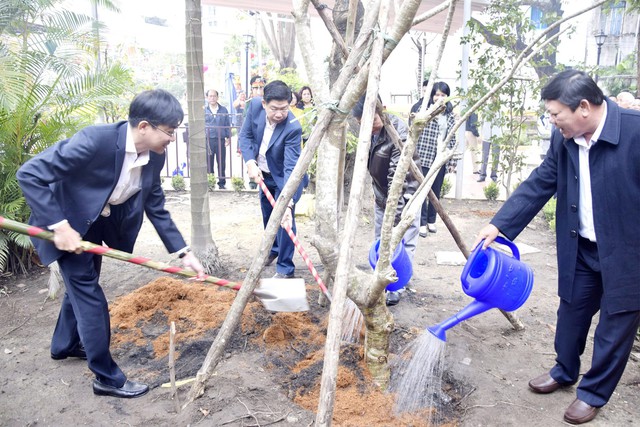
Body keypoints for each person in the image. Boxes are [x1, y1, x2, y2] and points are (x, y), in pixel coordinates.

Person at [474, 69, 640, 425]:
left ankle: (593, 392)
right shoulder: (564, 138)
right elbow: (542, 180)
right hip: (582, 247)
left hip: (629, 254)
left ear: (583, 107)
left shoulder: (635, 131)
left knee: (615, 326)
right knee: (571, 314)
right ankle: (565, 370)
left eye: (554, 113)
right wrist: (500, 224)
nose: (551, 120)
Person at [16, 89, 206, 399]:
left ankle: (64, 344)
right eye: (169, 132)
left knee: (81, 286)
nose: (172, 139)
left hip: (98, 222)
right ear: (144, 126)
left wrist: (184, 252)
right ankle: (106, 378)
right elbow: (30, 173)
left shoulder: (154, 157)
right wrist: (61, 226)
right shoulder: (95, 140)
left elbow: (155, 205)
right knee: (90, 296)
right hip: (66, 221)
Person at [352, 96, 421, 306]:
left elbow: (398, 178)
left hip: (406, 196)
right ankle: (383, 280)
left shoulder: (397, 132)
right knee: (381, 242)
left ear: (383, 110)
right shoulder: (369, 134)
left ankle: (398, 284)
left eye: (372, 119)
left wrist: (396, 214)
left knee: (402, 241)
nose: (369, 125)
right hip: (383, 196)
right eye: (363, 121)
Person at [239, 80, 304, 279]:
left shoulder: (293, 127)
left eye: (284, 109)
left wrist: (287, 203)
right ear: (264, 104)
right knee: (269, 217)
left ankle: (285, 268)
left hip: (286, 179)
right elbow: (246, 136)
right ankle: (273, 249)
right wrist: (250, 161)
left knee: (284, 221)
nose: (279, 114)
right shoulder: (254, 109)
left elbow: (290, 168)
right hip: (264, 175)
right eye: (274, 108)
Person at [415, 81, 457, 236]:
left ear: (447, 96)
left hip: (440, 157)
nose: (439, 97)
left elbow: (452, 138)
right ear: (432, 96)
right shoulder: (424, 110)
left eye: (443, 95)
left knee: (435, 190)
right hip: (424, 156)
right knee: (422, 190)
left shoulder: (449, 114)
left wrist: (452, 161)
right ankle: (422, 222)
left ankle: (431, 221)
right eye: (437, 94)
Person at [205, 89, 231, 189]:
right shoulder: (204, 110)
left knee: (221, 161)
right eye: (210, 96)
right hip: (208, 140)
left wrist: (228, 137)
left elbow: (227, 124)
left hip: (220, 139)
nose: (212, 98)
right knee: (209, 162)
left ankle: (221, 183)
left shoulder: (223, 110)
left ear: (217, 97)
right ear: (207, 98)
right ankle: (210, 182)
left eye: (214, 96)